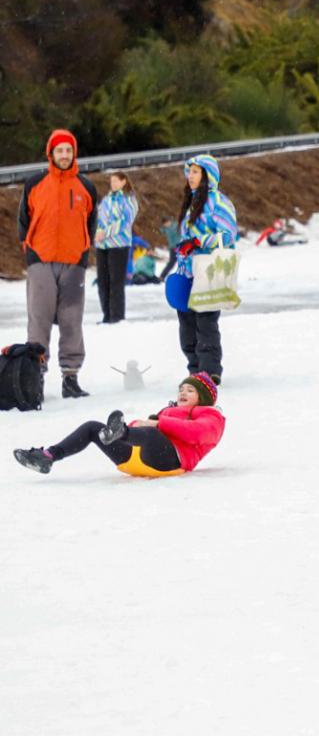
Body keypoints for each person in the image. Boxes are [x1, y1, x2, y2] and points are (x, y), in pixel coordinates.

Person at [14, 373, 226, 478]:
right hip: (136, 458)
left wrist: (156, 423)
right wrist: (141, 425)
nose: (182, 393)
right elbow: (144, 427)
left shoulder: (211, 416)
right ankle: (48, 457)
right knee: (91, 427)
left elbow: (197, 433)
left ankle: (120, 432)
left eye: (190, 390)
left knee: (150, 433)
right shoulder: (168, 411)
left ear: (204, 397)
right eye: (181, 389)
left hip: (172, 462)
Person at [19, 129, 97, 397]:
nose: (64, 155)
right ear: (50, 153)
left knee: (71, 320)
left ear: (74, 153)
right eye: (59, 150)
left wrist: (83, 254)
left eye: (68, 150)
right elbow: (23, 222)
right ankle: (35, 378)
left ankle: (70, 378)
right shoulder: (34, 183)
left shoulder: (86, 187)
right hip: (41, 259)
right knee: (38, 320)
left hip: (74, 261)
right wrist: (30, 253)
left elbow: (91, 223)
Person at [171, 156, 238, 383]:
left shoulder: (219, 202)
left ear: (208, 176)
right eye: (189, 172)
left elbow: (228, 235)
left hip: (209, 271)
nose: (190, 176)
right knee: (186, 324)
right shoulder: (191, 202)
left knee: (206, 322)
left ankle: (209, 372)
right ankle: (194, 369)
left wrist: (200, 242)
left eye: (196, 172)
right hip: (187, 271)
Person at [93, 172, 138, 324]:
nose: (113, 184)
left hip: (119, 245)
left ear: (124, 182)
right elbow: (99, 218)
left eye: (116, 181)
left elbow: (125, 221)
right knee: (103, 281)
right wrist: (98, 231)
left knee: (116, 282)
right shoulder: (106, 200)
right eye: (111, 181)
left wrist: (105, 232)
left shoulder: (129, 200)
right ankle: (106, 315)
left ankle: (117, 316)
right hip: (102, 246)